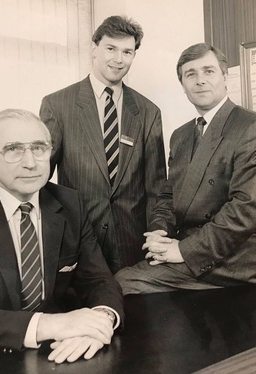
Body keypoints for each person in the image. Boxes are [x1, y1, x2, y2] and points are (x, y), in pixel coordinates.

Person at [0, 109, 124, 364]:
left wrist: (100, 323)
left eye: (39, 148)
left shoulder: (70, 203)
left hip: (56, 353)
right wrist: (55, 325)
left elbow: (99, 280)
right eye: (14, 149)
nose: (31, 162)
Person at [115, 42, 256, 294]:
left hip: (237, 255)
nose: (200, 81)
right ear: (183, 86)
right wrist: (159, 230)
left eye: (209, 71)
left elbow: (245, 209)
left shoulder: (251, 126)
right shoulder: (180, 136)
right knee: (116, 281)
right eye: (190, 74)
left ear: (224, 77)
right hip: (192, 242)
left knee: (123, 284)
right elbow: (169, 196)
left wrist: (183, 251)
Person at [39, 15, 166, 274]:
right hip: (78, 241)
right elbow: (40, 179)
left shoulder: (148, 112)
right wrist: (55, 235)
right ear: (94, 48)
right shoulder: (58, 105)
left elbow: (156, 188)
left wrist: (156, 239)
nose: (118, 59)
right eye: (111, 48)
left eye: (127, 52)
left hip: (133, 245)